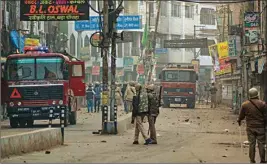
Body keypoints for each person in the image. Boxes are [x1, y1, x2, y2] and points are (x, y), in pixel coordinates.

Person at [237, 88, 267, 163]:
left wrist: (239, 120)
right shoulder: (263, 104)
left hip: (250, 127)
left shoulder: (245, 105)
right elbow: (266, 117)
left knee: (252, 144)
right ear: (257, 95)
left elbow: (241, 116)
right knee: (261, 144)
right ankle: (263, 160)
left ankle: (252, 160)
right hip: (260, 127)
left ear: (249, 95)